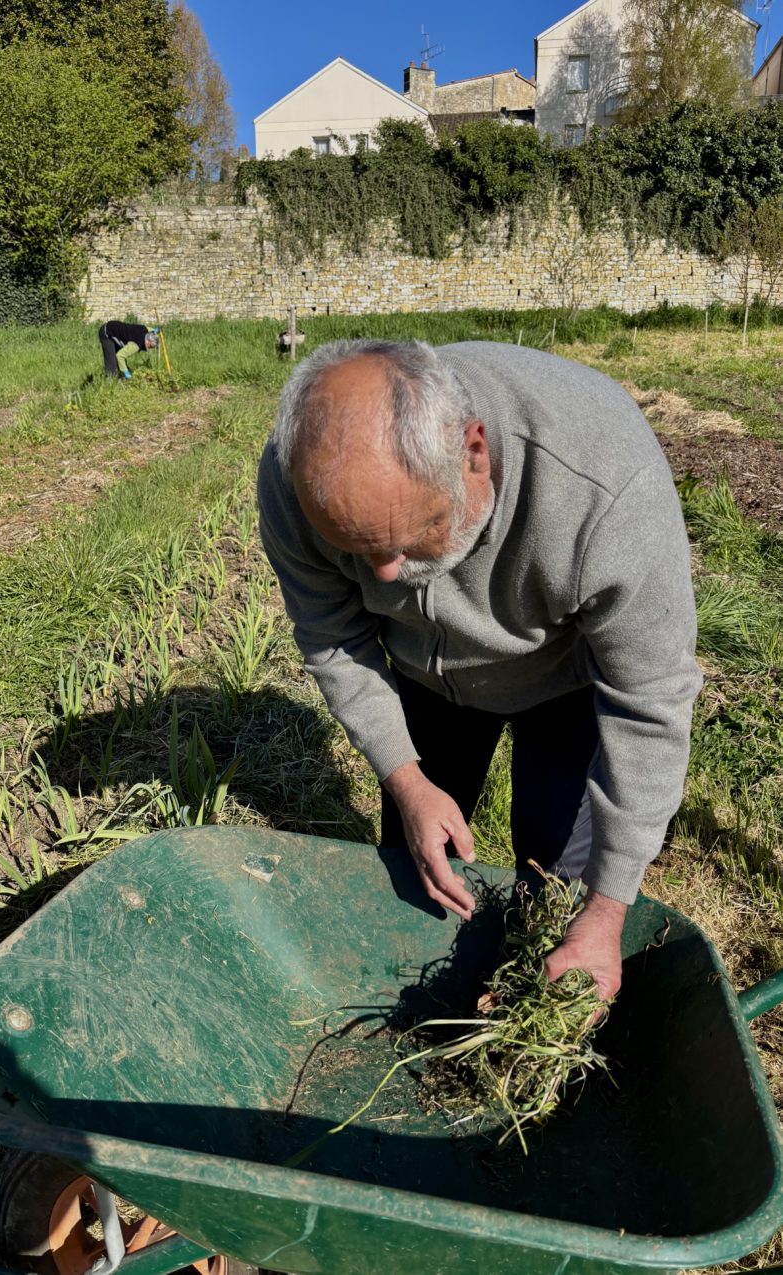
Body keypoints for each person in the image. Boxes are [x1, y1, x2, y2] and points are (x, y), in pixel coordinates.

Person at [257, 339, 702, 1000]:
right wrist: (407, 782)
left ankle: (535, 1017)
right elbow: (334, 638)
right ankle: (421, 991)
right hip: (424, 679)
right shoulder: (301, 478)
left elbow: (652, 701)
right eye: (356, 547)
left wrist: (606, 911)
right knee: (418, 861)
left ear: (474, 452)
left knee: (556, 874)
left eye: (412, 535)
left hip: (565, 682)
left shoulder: (604, 486)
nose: (384, 575)